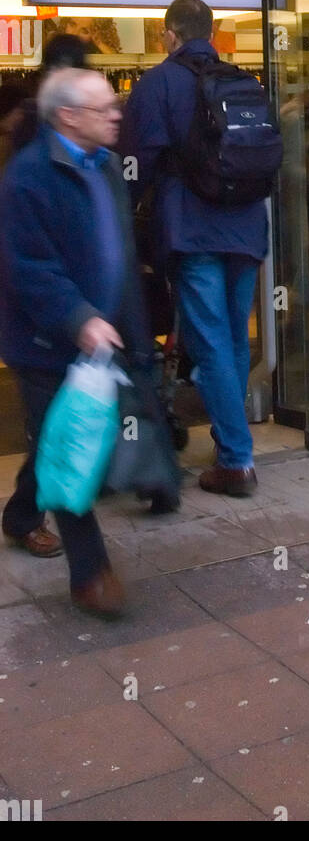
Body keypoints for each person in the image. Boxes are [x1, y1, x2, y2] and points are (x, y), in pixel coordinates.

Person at [0, 68, 149, 617]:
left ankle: (18, 516)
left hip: (101, 340)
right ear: (66, 116)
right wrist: (79, 317)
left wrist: (138, 331)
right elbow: (29, 267)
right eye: (105, 108)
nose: (117, 115)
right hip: (45, 343)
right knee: (70, 449)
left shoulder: (107, 166)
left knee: (52, 439)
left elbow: (121, 253)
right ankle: (91, 575)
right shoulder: (27, 177)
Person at [118, 0, 267, 497]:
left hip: (192, 230)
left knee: (210, 341)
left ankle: (237, 460)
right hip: (246, 226)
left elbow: (134, 165)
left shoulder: (157, 84)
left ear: (169, 35)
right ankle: (234, 439)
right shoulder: (244, 80)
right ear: (213, 30)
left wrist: (124, 221)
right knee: (233, 337)